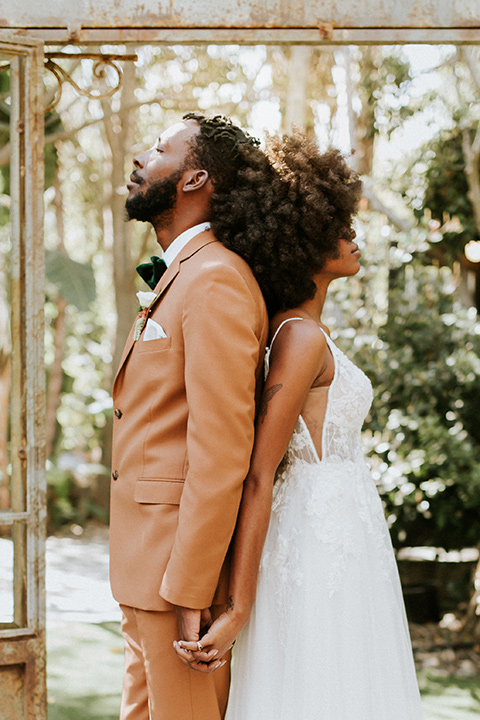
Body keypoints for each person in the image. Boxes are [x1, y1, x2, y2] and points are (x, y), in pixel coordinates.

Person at [175, 133, 425, 719]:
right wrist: (237, 606)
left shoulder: (299, 333)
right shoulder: (301, 338)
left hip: (339, 535)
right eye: (338, 222)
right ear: (302, 234)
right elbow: (260, 474)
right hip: (313, 539)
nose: (353, 234)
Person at [109, 113, 270, 720]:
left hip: (177, 581)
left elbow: (223, 452)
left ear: (195, 177)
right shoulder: (182, 275)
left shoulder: (215, 280)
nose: (139, 159)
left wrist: (192, 590)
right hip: (144, 569)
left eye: (157, 149)